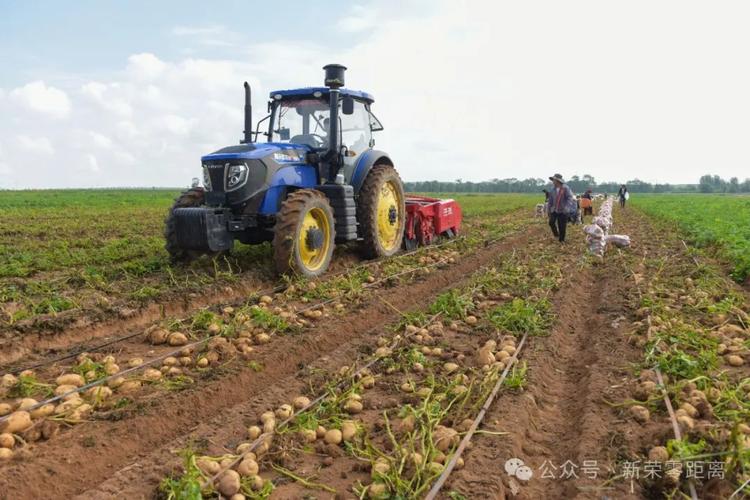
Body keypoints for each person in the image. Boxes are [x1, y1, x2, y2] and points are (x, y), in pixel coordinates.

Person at [547, 173, 574, 243]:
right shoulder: (552, 189)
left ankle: (561, 240)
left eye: (554, 180)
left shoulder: (565, 188)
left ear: (558, 181)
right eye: (552, 180)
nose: (553, 181)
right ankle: (556, 235)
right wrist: (548, 209)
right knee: (551, 222)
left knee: (562, 226)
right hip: (554, 209)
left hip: (563, 210)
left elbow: (570, 198)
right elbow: (550, 200)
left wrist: (567, 207)